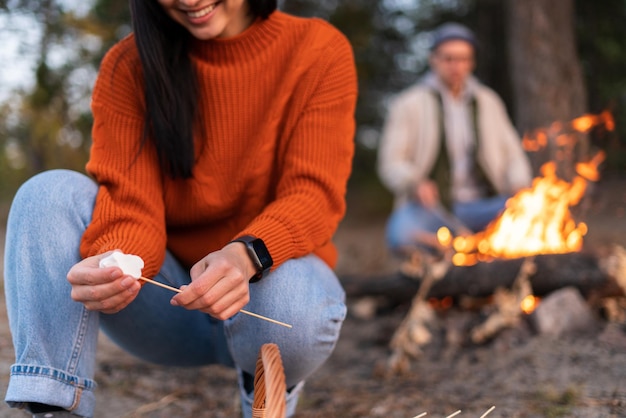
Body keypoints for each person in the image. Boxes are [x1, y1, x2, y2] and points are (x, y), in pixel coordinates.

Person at [3, 1, 357, 417]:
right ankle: (53, 406)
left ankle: (261, 392)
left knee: (288, 302)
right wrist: (117, 260)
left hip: (267, 305)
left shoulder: (318, 49)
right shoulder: (129, 66)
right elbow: (131, 202)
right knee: (46, 194)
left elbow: (313, 194)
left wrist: (245, 255)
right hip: (166, 307)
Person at [377, 22, 532, 255]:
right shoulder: (409, 104)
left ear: (472, 62)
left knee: (532, 213)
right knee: (400, 236)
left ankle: (468, 249)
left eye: (462, 59)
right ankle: (466, 250)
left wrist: (519, 184)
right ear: (434, 59)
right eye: (448, 58)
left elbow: (513, 154)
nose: (456, 66)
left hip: (485, 205)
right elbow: (390, 163)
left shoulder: (488, 101)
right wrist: (414, 182)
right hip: (433, 209)